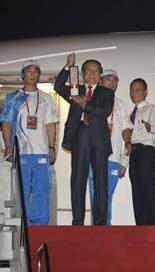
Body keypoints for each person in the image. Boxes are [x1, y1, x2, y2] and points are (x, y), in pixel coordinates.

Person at [54, 53, 114, 225]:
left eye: (96, 72)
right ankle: (77, 220)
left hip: (99, 140)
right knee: (78, 180)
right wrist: (67, 67)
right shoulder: (75, 90)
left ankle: (100, 221)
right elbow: (58, 86)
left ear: (100, 75)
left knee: (101, 181)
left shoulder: (106, 92)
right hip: (79, 137)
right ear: (82, 73)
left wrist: (84, 104)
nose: (92, 75)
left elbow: (105, 112)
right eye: (88, 71)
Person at [0, 60, 58, 225]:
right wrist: (8, 145)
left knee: (41, 189)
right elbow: (6, 123)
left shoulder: (47, 98)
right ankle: (23, 224)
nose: (33, 74)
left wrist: (52, 146)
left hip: (41, 151)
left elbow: (50, 124)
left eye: (36, 71)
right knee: (22, 189)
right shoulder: (13, 98)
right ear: (22, 75)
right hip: (21, 151)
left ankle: (40, 225)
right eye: (29, 71)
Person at [88, 69, 132, 225]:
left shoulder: (120, 104)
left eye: (115, 80)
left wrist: (125, 161)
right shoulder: (92, 100)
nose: (112, 83)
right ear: (100, 81)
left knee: (107, 195)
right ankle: (98, 229)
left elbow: (127, 129)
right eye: (108, 79)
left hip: (113, 158)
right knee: (95, 195)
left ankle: (105, 228)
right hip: (94, 157)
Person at [129, 78, 155, 225]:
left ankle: (153, 223)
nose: (133, 93)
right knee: (136, 189)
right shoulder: (132, 113)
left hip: (146, 151)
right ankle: (141, 225)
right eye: (132, 90)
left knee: (148, 187)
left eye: (137, 90)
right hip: (134, 152)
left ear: (145, 92)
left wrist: (150, 127)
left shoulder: (151, 108)